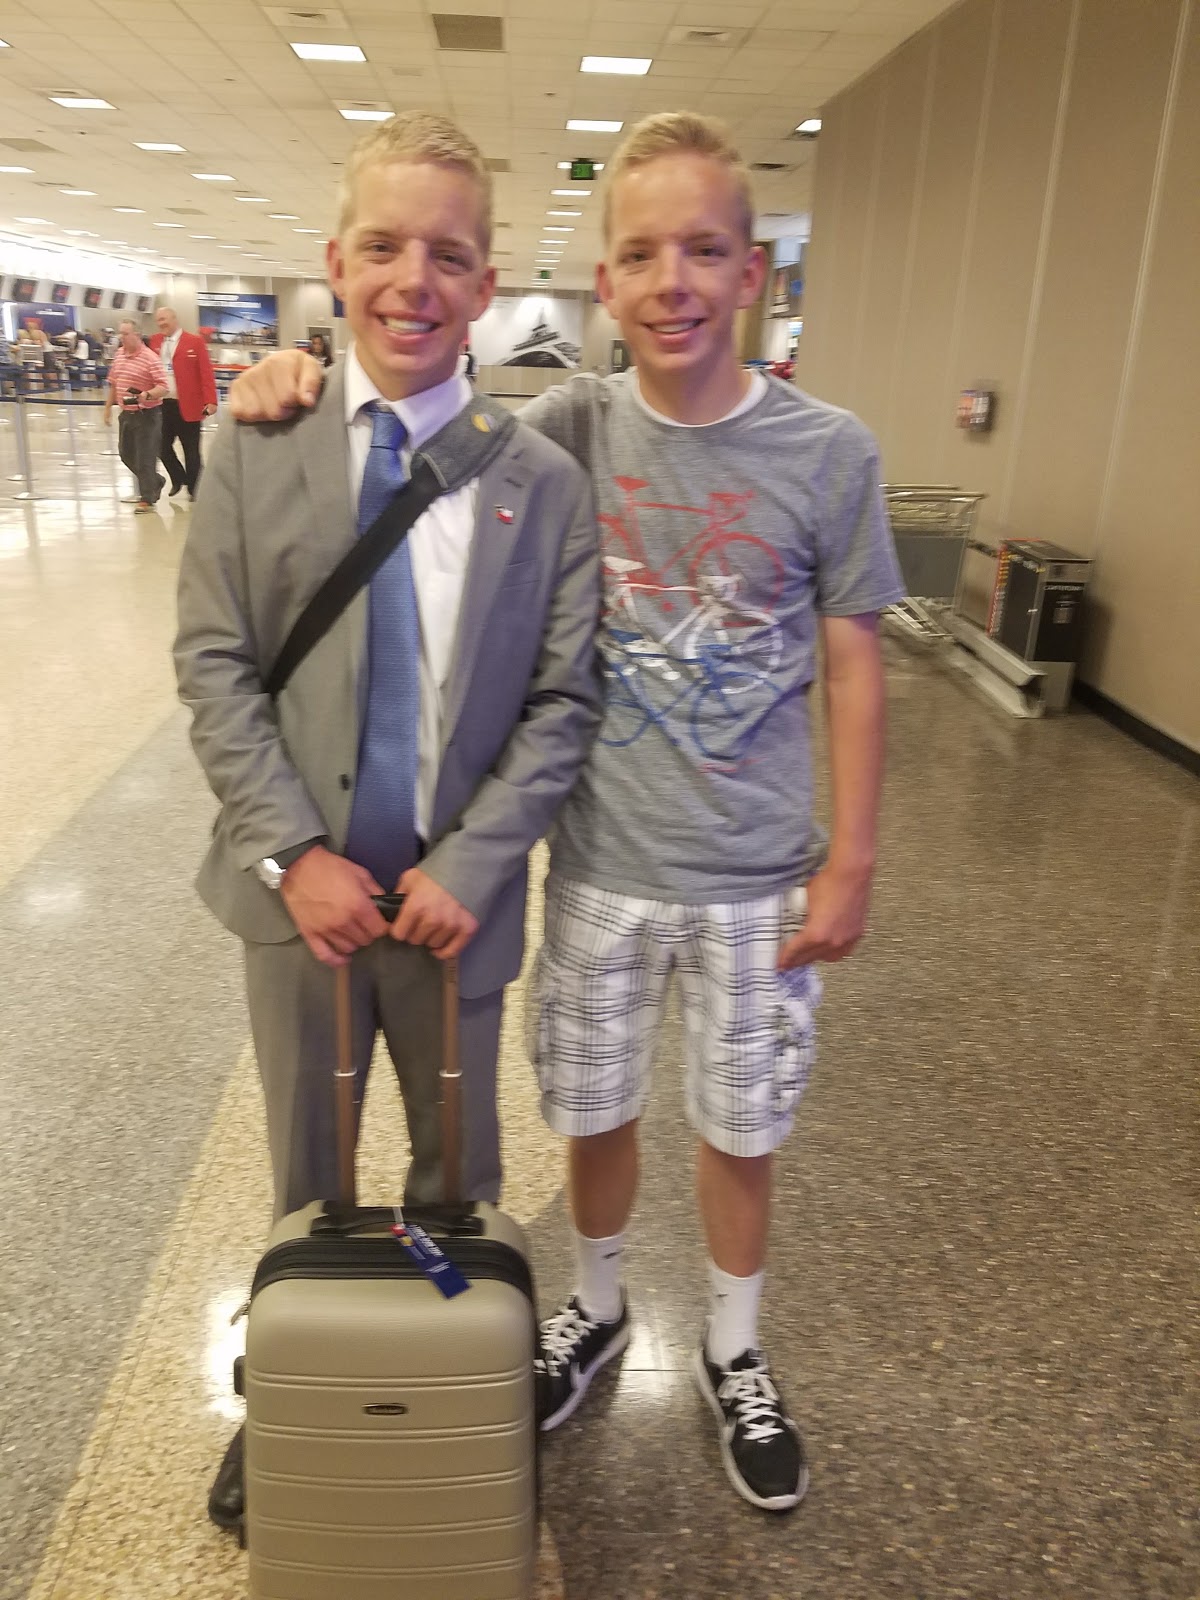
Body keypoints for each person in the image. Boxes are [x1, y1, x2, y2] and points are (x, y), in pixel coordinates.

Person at [226, 109, 904, 1516]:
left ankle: (735, 1344)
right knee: (594, 1109)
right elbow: (416, 415)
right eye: (641, 255)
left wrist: (852, 859)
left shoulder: (829, 451)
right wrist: (287, 370)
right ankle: (593, 1305)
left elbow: (854, 661)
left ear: (753, 273)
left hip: (758, 875)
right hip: (598, 862)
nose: (672, 283)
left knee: (742, 1125)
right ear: (604, 280)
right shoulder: (566, 429)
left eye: (705, 252)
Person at [175, 109, 601, 1532]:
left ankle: (447, 1384)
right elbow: (216, 663)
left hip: (450, 906)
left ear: (488, 283)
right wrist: (292, 855)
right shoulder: (258, 440)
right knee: (310, 1160)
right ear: (336, 261)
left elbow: (563, 697)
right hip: (295, 904)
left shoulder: (539, 481)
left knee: (456, 1171)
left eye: (450, 255)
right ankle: (293, 1394)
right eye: (383, 247)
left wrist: (474, 862)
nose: (414, 280)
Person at [149, 306, 218, 500]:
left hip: (189, 404)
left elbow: (205, 372)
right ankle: (178, 477)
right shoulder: (155, 341)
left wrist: (211, 400)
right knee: (160, 446)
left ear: (174, 319)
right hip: (163, 404)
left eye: (164, 319)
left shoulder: (194, 342)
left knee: (191, 450)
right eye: (158, 320)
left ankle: (195, 489)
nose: (161, 323)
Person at [103, 319, 168, 511]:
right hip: (126, 414)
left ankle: (147, 498)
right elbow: (114, 383)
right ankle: (155, 481)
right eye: (120, 333)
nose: (121, 337)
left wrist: (147, 394)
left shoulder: (150, 358)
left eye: (125, 334)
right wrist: (107, 408)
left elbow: (163, 386)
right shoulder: (119, 355)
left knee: (145, 457)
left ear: (137, 335)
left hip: (147, 415)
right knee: (126, 454)